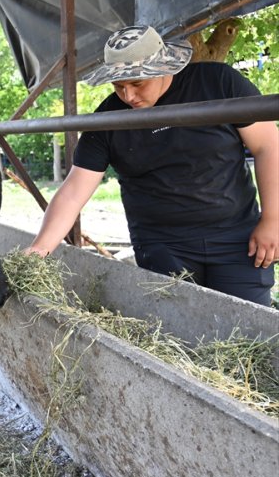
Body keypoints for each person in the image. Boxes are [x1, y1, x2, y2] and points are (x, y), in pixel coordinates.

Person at [26, 25, 278, 307]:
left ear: (163, 68)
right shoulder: (108, 118)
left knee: (247, 322)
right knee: (176, 324)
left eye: (137, 83)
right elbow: (74, 191)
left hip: (237, 237)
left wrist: (273, 219)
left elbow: (268, 146)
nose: (128, 96)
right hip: (162, 244)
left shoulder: (219, 83)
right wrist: (40, 250)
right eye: (118, 86)